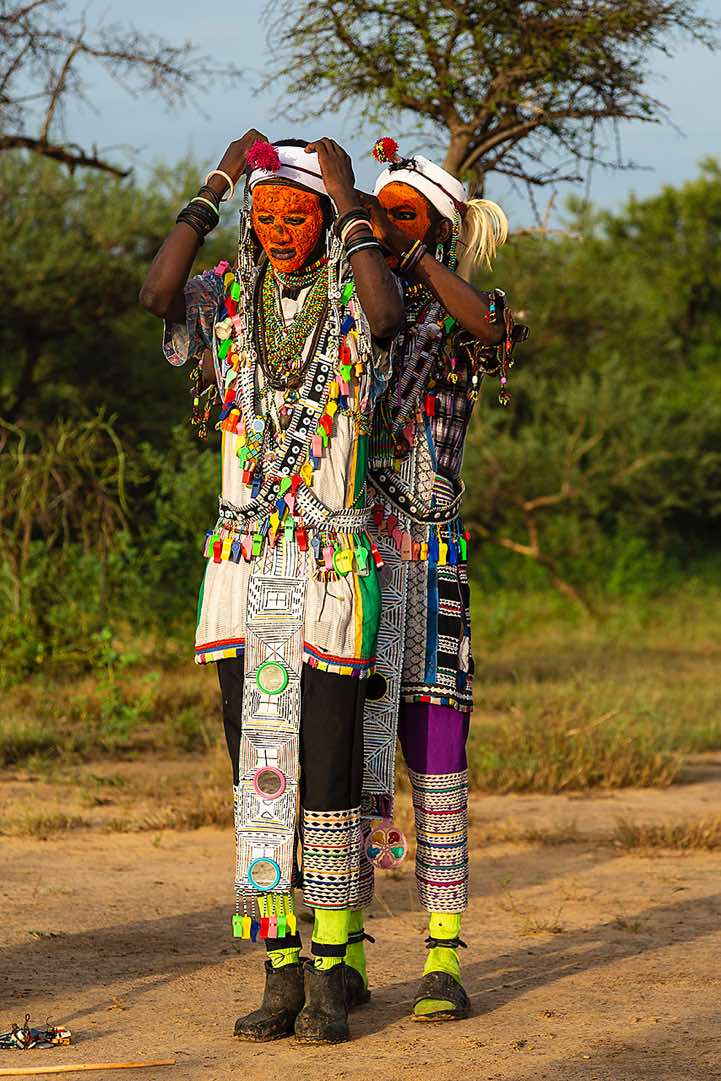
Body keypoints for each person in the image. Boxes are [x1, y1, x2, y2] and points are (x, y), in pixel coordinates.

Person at [139, 130, 403, 1045]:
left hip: (330, 565)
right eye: (266, 215)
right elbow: (155, 292)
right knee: (259, 775)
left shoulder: (356, 292)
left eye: (298, 214)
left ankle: (334, 973)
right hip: (243, 566)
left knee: (327, 769)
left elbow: (385, 320)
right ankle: (279, 968)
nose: (281, 228)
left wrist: (348, 193)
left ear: (326, 220)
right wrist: (215, 182)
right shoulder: (223, 299)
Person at [344, 138, 527, 1022]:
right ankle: (339, 949)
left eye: (403, 214)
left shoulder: (462, 309)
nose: (383, 225)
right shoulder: (353, 302)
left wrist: (409, 253)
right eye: (379, 212)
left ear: (441, 230)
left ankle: (443, 957)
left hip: (433, 566)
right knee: (345, 756)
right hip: (352, 562)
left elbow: (493, 328)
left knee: (439, 763)